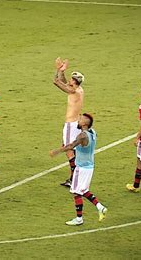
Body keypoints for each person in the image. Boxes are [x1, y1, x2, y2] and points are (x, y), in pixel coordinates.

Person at [50, 113, 107, 226]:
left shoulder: (82, 136)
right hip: (89, 166)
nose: (78, 121)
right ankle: (99, 208)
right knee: (82, 190)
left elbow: (70, 146)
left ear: (85, 123)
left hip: (81, 167)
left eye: (80, 119)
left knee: (76, 191)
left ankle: (80, 218)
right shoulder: (92, 132)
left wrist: (56, 151)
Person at [53, 57, 85, 187]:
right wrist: (63, 71)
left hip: (70, 125)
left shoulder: (73, 91)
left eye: (72, 79)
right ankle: (76, 176)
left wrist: (57, 70)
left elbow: (56, 82)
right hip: (76, 124)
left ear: (75, 82)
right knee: (73, 148)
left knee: (68, 149)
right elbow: (64, 83)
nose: (70, 80)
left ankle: (74, 179)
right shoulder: (79, 90)